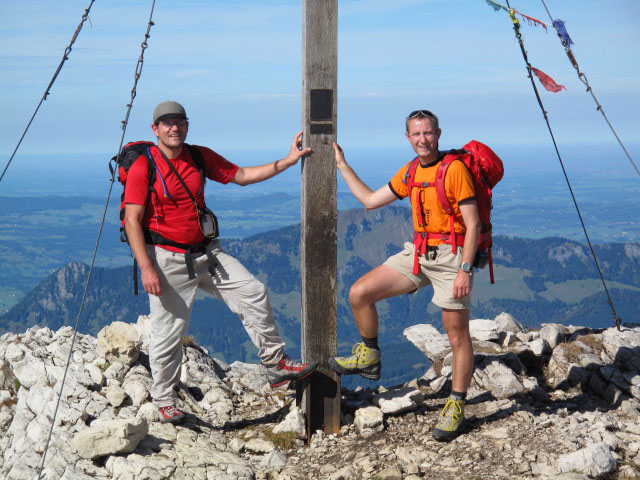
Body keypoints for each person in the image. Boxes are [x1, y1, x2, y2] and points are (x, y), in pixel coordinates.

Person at [124, 100, 317, 424]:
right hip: (168, 259)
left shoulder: (198, 156)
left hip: (206, 252)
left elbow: (240, 175)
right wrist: (146, 267)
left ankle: (275, 364)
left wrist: (288, 160)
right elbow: (132, 221)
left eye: (180, 122)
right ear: (155, 129)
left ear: (186, 125)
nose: (175, 128)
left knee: (253, 291)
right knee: (169, 332)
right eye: (167, 123)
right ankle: (163, 401)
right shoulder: (145, 166)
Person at [328, 110, 481, 441]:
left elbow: (474, 224)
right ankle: (369, 355)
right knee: (359, 293)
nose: (423, 139)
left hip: (452, 255)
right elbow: (370, 201)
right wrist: (342, 165)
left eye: (428, 133)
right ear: (407, 138)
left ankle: (456, 405)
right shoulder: (411, 171)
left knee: (457, 335)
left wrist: (465, 270)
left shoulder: (454, 170)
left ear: (438, 133)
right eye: (416, 134)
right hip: (419, 252)